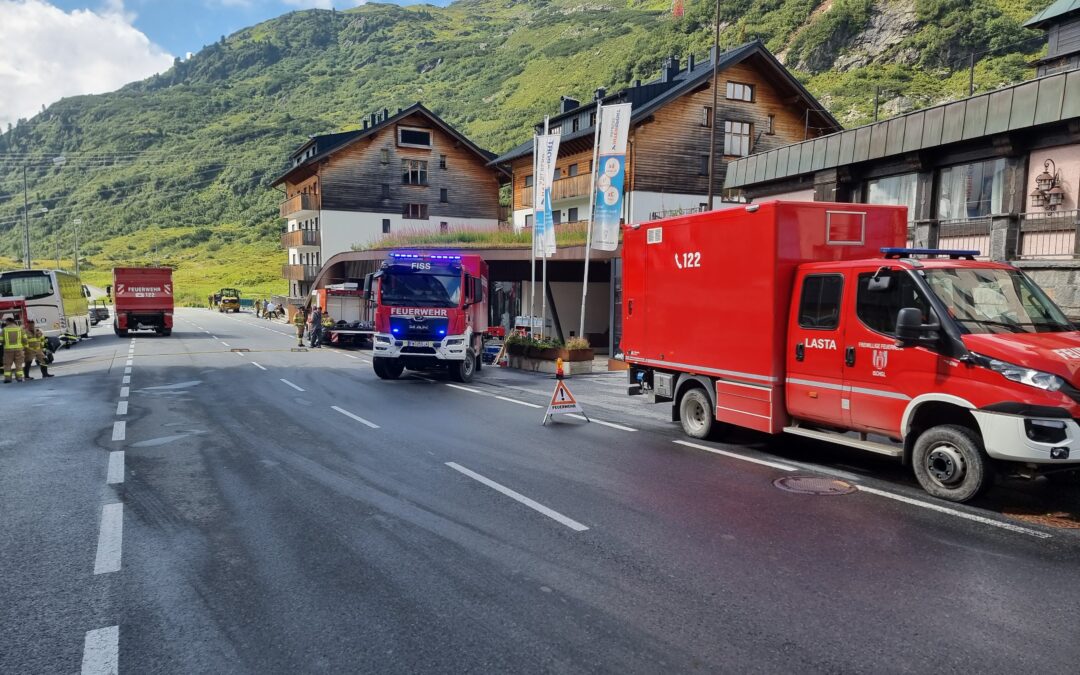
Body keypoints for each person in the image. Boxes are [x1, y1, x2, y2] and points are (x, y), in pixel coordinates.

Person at [2, 315, 26, 384]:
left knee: (7, 364)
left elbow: (1, 340)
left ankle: (8, 379)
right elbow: (24, 339)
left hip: (8, 350)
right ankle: (19, 378)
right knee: (19, 364)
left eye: (6, 322)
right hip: (18, 349)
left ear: (8, 321)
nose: (5, 323)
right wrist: (23, 346)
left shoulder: (4, 329)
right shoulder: (19, 329)